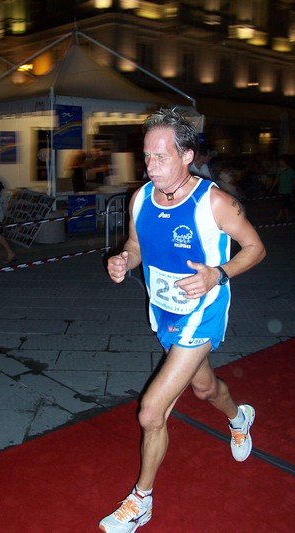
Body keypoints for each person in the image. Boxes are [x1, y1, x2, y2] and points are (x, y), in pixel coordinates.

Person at [100, 107, 266, 532]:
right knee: (204, 387)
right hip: (164, 310)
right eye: (146, 156)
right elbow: (135, 245)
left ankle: (141, 501)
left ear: (187, 156)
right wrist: (123, 260)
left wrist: (218, 274)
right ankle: (238, 418)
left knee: (151, 411)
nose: (150, 165)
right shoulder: (140, 198)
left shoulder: (215, 201)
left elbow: (255, 248)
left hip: (203, 312)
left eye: (160, 156)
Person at [269, 154, 295, 222]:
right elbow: (277, 179)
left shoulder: (291, 171)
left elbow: (294, 182)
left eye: (281, 161)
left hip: (288, 190)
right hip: (281, 190)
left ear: (284, 161)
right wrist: (272, 187)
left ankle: (279, 217)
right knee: (284, 204)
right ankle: (287, 217)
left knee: (283, 204)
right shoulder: (279, 170)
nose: (279, 162)